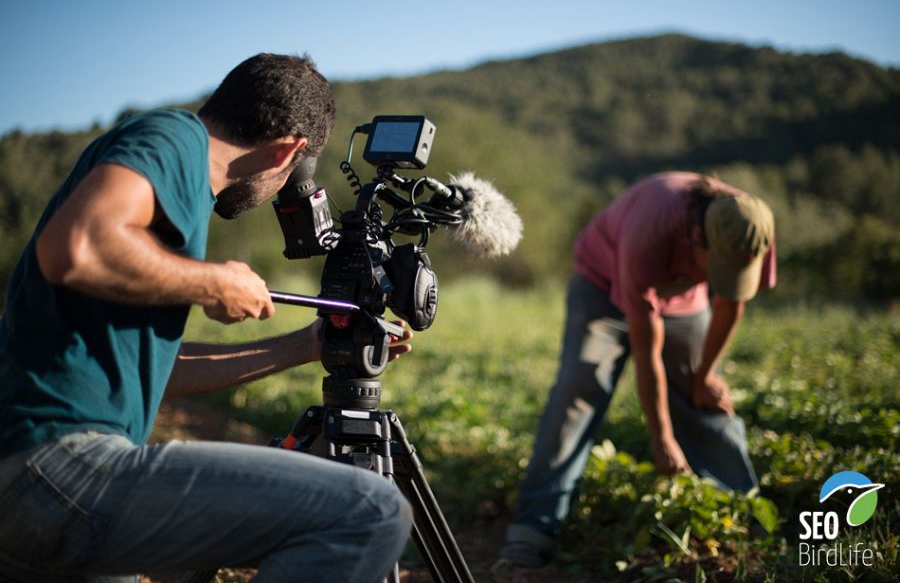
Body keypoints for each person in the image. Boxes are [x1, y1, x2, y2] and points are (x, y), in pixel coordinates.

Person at [0, 53, 414, 583]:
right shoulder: (174, 138)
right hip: (56, 466)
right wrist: (211, 281)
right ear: (289, 150)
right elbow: (74, 247)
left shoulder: (171, 185)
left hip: (32, 483)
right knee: (370, 512)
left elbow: (155, 370)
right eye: (290, 177)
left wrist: (304, 346)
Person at [499, 171, 776, 568]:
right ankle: (533, 530)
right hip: (602, 284)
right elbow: (647, 352)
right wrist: (661, 438)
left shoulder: (752, 226)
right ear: (698, 239)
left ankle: (744, 524)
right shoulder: (653, 229)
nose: (722, 278)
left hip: (682, 300)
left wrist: (704, 377)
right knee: (580, 389)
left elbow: (731, 302)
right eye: (717, 266)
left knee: (706, 400)